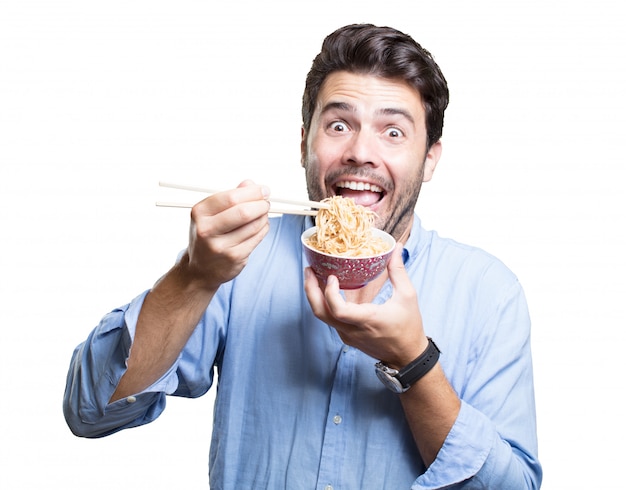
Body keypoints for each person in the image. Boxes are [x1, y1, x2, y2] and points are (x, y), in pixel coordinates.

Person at [63, 23, 543, 489]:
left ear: (430, 158)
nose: (361, 152)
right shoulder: (239, 258)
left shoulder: (488, 292)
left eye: (392, 132)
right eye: (339, 124)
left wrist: (413, 361)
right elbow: (92, 411)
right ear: (303, 143)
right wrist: (193, 277)